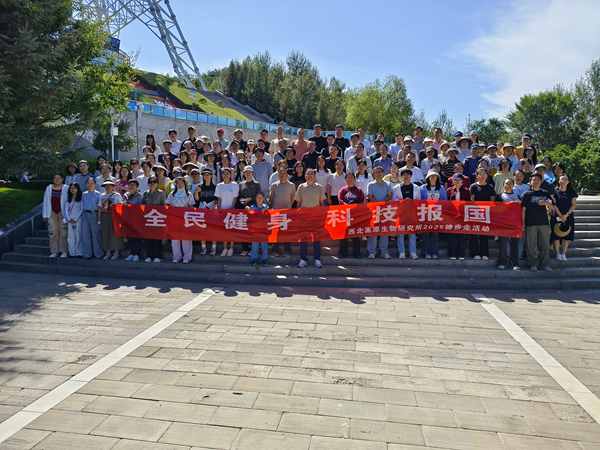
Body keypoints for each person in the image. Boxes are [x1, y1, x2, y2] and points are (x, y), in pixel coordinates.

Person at [522, 173, 554, 271]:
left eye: (538, 180)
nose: (535, 181)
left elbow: (552, 207)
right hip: (530, 223)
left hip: (544, 223)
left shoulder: (545, 193)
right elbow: (523, 210)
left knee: (545, 245)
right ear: (530, 182)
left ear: (541, 182)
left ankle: (545, 264)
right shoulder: (527, 194)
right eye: (533, 180)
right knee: (531, 245)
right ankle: (533, 264)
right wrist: (523, 223)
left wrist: (546, 203)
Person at [295, 168, 325, 268]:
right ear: (305, 176)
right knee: (303, 239)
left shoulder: (319, 187)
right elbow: (298, 203)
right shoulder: (301, 187)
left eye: (312, 174)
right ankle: (303, 259)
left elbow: (322, 203)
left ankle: (317, 259)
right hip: (304, 218)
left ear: (315, 176)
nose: (309, 176)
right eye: (308, 174)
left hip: (316, 218)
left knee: (316, 239)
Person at [393, 168, 420, 259]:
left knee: (412, 233)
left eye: (408, 174)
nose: (406, 176)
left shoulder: (416, 187)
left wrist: (411, 201)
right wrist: (403, 201)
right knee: (400, 233)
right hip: (401, 213)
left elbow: (418, 201)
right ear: (401, 177)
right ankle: (401, 252)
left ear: (411, 176)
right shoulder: (396, 188)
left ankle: (413, 252)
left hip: (412, 213)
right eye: (404, 175)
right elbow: (394, 201)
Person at [166, 176, 194, 263]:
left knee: (186, 238)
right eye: (177, 182)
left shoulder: (189, 194)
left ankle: (187, 257)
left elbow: (192, 206)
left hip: (185, 219)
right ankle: (177, 257)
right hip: (174, 219)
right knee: (175, 239)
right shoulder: (172, 194)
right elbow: (167, 205)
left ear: (185, 183)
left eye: (181, 182)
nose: (179, 184)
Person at [269, 163, 296, 257]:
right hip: (276, 212)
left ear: (286, 173)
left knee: (286, 232)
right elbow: (271, 198)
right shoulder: (274, 185)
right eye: (280, 173)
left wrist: (288, 207)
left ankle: (287, 250)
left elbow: (293, 198)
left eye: (283, 172)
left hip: (287, 212)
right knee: (275, 232)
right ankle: (275, 250)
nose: (281, 174)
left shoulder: (292, 185)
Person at [469, 168, 496, 260]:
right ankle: (475, 253)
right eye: (480, 174)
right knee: (474, 233)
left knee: (484, 233)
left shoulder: (490, 187)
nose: (482, 175)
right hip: (474, 213)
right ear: (477, 176)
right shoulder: (473, 186)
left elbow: (492, 202)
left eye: (484, 174)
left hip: (485, 214)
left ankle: (484, 253)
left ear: (487, 176)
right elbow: (471, 201)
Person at [420, 170, 447, 259]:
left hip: (436, 215)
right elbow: (419, 200)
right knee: (425, 235)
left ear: (437, 178)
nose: (433, 178)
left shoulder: (441, 188)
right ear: (427, 178)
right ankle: (425, 253)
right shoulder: (422, 188)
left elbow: (444, 200)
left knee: (435, 235)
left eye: (435, 177)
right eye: (431, 177)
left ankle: (435, 253)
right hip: (425, 214)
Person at [367, 166, 392, 259]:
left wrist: (382, 205)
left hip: (385, 211)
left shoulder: (388, 184)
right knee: (373, 232)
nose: (378, 174)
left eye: (380, 172)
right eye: (376, 172)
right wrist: (378, 205)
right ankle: (372, 252)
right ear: (373, 174)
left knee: (384, 232)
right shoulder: (370, 185)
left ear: (383, 173)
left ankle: (384, 252)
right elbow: (370, 197)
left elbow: (389, 195)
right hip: (374, 211)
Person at [338, 172, 365, 258]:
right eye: (348, 178)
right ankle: (343, 253)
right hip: (345, 215)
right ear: (345, 179)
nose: (349, 179)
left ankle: (357, 253)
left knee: (356, 234)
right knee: (344, 235)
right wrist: (348, 207)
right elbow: (340, 201)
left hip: (355, 216)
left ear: (354, 179)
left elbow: (361, 201)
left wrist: (354, 207)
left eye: (351, 177)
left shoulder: (359, 190)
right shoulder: (342, 190)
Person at [552, 174, 577, 261]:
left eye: (565, 180)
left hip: (568, 216)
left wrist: (566, 215)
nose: (563, 181)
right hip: (556, 216)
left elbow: (573, 205)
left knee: (567, 235)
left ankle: (563, 253)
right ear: (559, 181)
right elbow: (554, 204)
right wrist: (560, 215)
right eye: (561, 179)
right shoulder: (554, 191)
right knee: (556, 235)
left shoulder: (571, 192)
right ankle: (557, 253)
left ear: (568, 182)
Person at [42, 174, 69, 258]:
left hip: (62, 212)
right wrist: (45, 215)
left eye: (59, 178)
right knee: (53, 232)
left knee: (63, 232)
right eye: (55, 178)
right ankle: (54, 251)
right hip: (51, 212)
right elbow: (45, 201)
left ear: (62, 179)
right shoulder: (49, 188)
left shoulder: (66, 188)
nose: (57, 179)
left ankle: (63, 251)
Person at [215, 167, 239, 256]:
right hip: (222, 211)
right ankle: (225, 248)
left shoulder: (234, 184)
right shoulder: (219, 185)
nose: (225, 175)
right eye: (224, 173)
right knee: (224, 230)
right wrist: (219, 209)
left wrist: (231, 209)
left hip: (232, 211)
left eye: (227, 173)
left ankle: (231, 248)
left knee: (231, 230)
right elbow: (219, 198)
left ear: (230, 175)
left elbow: (235, 198)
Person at [498, 179, 521, 270]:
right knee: (503, 244)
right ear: (503, 185)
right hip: (503, 223)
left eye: (511, 183)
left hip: (515, 223)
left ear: (513, 185)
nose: (509, 185)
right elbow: (496, 209)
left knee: (515, 244)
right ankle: (502, 262)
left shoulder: (517, 196)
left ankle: (515, 263)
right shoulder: (499, 196)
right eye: (507, 183)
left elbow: (521, 208)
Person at [142, 177, 166, 263]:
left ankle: (158, 256)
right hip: (148, 218)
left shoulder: (161, 193)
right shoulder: (145, 193)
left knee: (157, 238)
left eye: (154, 182)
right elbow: (143, 205)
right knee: (148, 238)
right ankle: (149, 255)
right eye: (150, 183)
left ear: (157, 184)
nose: (152, 184)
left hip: (158, 218)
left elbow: (164, 205)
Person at [446, 174, 470, 260]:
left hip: (462, 216)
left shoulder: (466, 191)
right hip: (451, 216)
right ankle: (452, 254)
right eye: (455, 180)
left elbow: (469, 203)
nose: (457, 181)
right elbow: (446, 203)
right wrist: (452, 195)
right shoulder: (449, 190)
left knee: (461, 235)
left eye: (459, 180)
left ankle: (461, 254)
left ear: (462, 181)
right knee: (452, 235)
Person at [99, 180, 123, 260]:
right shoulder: (102, 195)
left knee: (115, 233)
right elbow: (99, 207)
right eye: (106, 186)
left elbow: (121, 205)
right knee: (105, 233)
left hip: (115, 216)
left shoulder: (117, 195)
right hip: (105, 215)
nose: (108, 187)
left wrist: (113, 206)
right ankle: (108, 252)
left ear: (113, 187)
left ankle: (116, 252)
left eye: (109, 185)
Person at [80, 178, 103, 259]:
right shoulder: (83, 194)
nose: (90, 185)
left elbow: (99, 207)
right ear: (86, 184)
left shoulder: (98, 194)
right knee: (85, 235)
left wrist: (99, 219)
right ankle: (87, 254)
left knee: (96, 235)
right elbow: (81, 205)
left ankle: (98, 253)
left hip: (94, 214)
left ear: (95, 184)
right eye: (88, 183)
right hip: (85, 214)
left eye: (92, 183)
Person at [123, 179, 144, 262]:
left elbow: (141, 207)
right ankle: (131, 253)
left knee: (137, 237)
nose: (131, 187)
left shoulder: (140, 196)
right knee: (130, 237)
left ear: (137, 187)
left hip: (137, 219)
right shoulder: (126, 195)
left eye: (133, 185)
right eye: (130, 185)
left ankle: (137, 254)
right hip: (128, 219)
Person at [247, 191, 269, 265]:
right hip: (255, 230)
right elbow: (249, 215)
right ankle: (254, 260)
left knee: (264, 245)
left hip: (264, 230)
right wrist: (248, 209)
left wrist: (265, 210)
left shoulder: (266, 207)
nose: (259, 199)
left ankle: (264, 260)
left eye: (261, 198)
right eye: (258, 198)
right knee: (255, 245)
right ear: (255, 199)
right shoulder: (252, 207)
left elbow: (269, 216)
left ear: (263, 199)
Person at [65, 183, 83, 257]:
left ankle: (79, 252)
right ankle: (72, 252)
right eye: (71, 188)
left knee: (78, 236)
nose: (72, 189)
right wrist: (69, 219)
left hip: (78, 219)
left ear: (78, 189)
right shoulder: (68, 199)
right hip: (70, 220)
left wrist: (75, 218)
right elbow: (66, 210)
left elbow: (81, 209)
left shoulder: (81, 198)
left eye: (74, 188)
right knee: (70, 237)